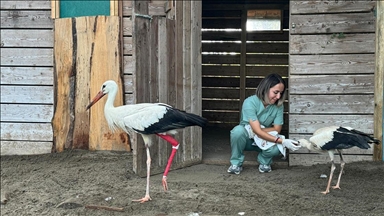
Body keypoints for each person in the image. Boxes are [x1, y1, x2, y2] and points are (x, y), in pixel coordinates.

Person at [227, 73, 300, 174]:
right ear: (266, 88)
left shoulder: (279, 105)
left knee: (277, 149)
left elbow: (277, 129)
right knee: (237, 131)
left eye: (281, 93)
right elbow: (259, 130)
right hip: (247, 139)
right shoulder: (250, 102)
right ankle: (236, 163)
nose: (278, 96)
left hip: (264, 140)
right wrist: (281, 141)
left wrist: (258, 131)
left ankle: (264, 162)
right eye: (276, 92)